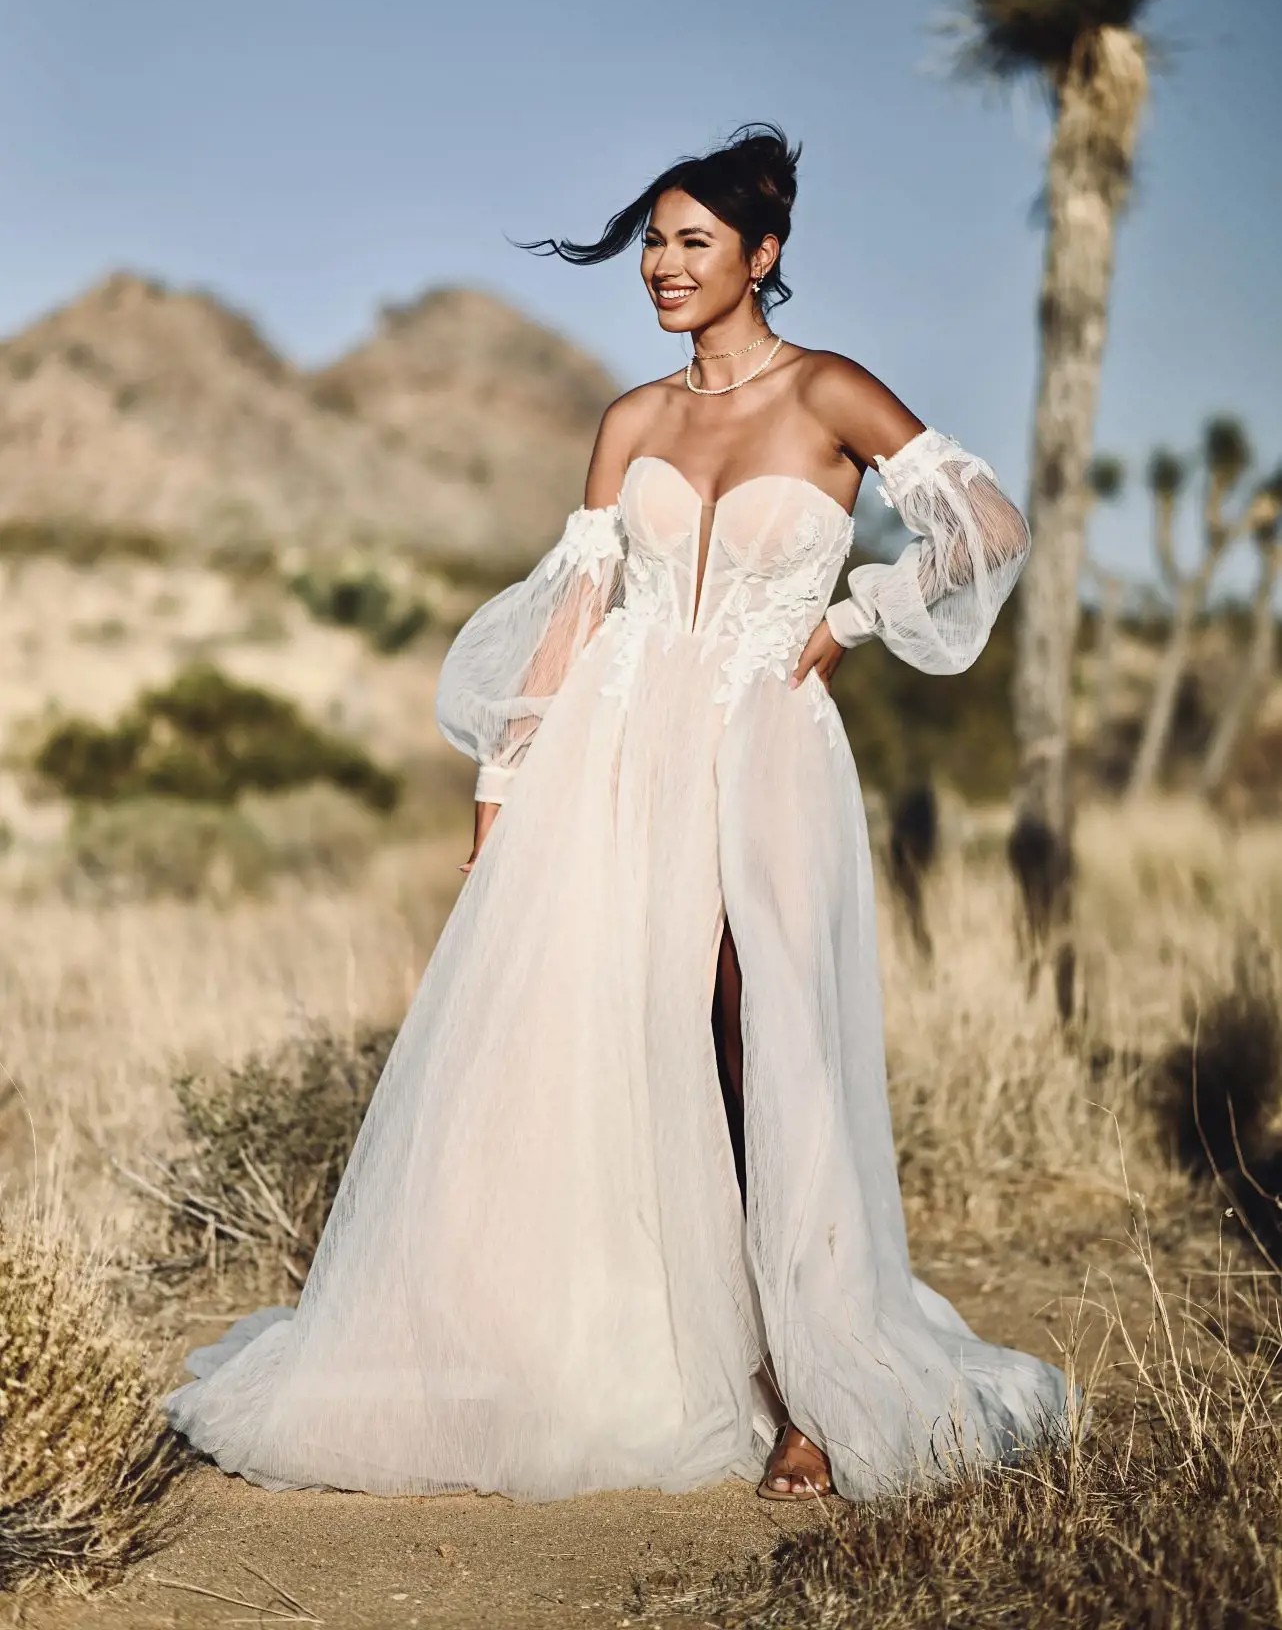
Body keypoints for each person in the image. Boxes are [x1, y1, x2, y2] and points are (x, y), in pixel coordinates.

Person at [166, 122, 1071, 1504]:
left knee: (761, 1032)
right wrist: (499, 789)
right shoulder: (632, 420)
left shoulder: (831, 394)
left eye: (692, 241)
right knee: (617, 1034)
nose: (660, 264)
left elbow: (986, 525)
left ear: (760, 257)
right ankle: (657, 1348)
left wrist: (846, 619)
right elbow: (579, 609)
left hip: (761, 745)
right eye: (652, 239)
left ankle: (817, 1386)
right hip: (613, 749)